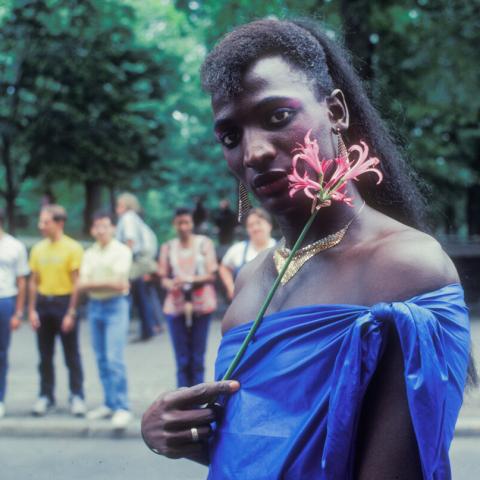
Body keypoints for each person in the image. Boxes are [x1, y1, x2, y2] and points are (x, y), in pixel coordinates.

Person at [142, 19, 473, 479]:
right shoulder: (252, 276)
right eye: (230, 136)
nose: (253, 152)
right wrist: (176, 433)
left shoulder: (408, 269)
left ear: (335, 110)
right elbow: (263, 451)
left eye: (277, 117)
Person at [28, 204, 85, 416]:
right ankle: (46, 396)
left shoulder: (73, 248)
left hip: (64, 303)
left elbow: (77, 282)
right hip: (44, 303)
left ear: (59, 223)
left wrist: (71, 312)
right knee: (44, 355)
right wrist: (32, 310)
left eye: (46, 222)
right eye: (40, 221)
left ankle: (77, 396)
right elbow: (34, 281)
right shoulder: (38, 249)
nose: (41, 226)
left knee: (71, 354)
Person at [79, 210, 133, 428]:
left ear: (112, 228)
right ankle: (109, 403)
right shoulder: (89, 253)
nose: (101, 230)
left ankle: (122, 406)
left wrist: (94, 283)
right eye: (97, 226)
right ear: (93, 229)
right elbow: (82, 283)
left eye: (105, 225)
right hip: (95, 307)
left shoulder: (122, 251)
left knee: (114, 357)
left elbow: (120, 284)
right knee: (100, 357)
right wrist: (105, 282)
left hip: (115, 306)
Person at [157, 208, 218, 388]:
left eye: (187, 222)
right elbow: (162, 277)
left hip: (201, 303)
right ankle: (183, 399)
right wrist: (169, 283)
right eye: (179, 223)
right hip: (176, 304)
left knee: (198, 356)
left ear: (192, 223)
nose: (183, 227)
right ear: (174, 224)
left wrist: (189, 279)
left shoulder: (204, 244)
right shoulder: (168, 247)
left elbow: (211, 275)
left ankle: (198, 399)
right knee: (182, 357)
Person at [115, 192, 160, 341]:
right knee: (142, 296)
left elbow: (130, 241)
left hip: (134, 263)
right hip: (141, 261)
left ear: (126, 206)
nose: (117, 208)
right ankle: (150, 327)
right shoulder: (135, 218)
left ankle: (146, 329)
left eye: (119, 205)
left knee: (135, 297)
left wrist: (123, 262)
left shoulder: (127, 218)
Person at [0, 209, 29, 418]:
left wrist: (19, 312)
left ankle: (0, 399)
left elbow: (22, 281)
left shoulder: (14, 246)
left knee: (1, 353)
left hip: (5, 300)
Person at [219, 208, 276, 301]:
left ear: (269, 225)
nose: (255, 228)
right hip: (244, 304)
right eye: (250, 225)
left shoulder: (282, 248)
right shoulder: (238, 249)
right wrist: (230, 287)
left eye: (259, 223)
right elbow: (223, 267)